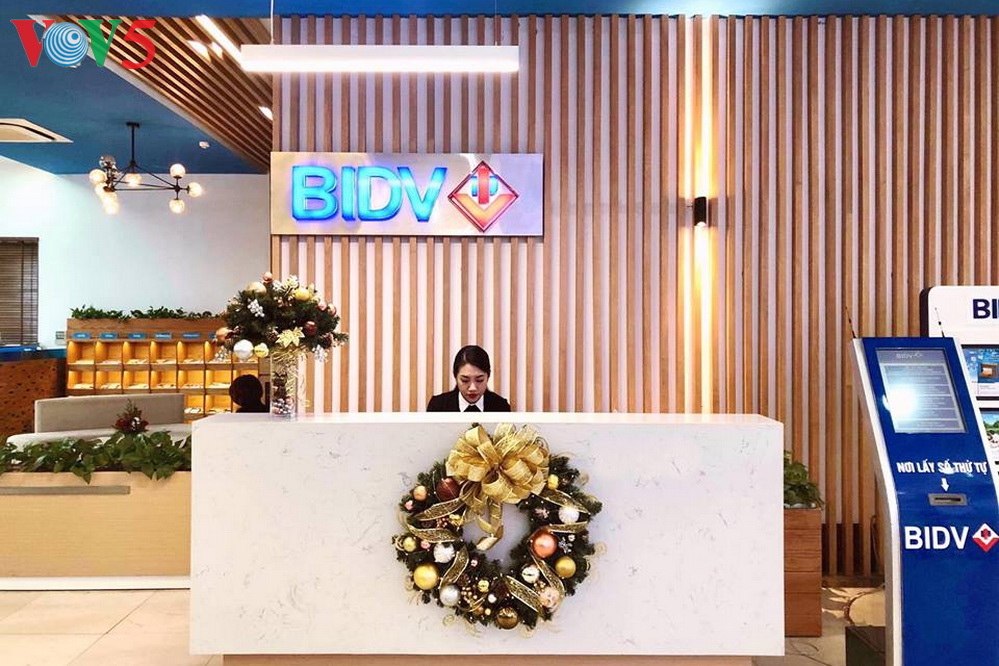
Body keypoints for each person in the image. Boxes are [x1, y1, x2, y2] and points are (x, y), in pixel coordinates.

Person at [427, 345, 511, 412]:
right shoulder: (438, 406)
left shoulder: (501, 407)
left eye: (479, 380)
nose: (472, 388)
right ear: (455, 376)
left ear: (488, 376)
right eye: (465, 380)